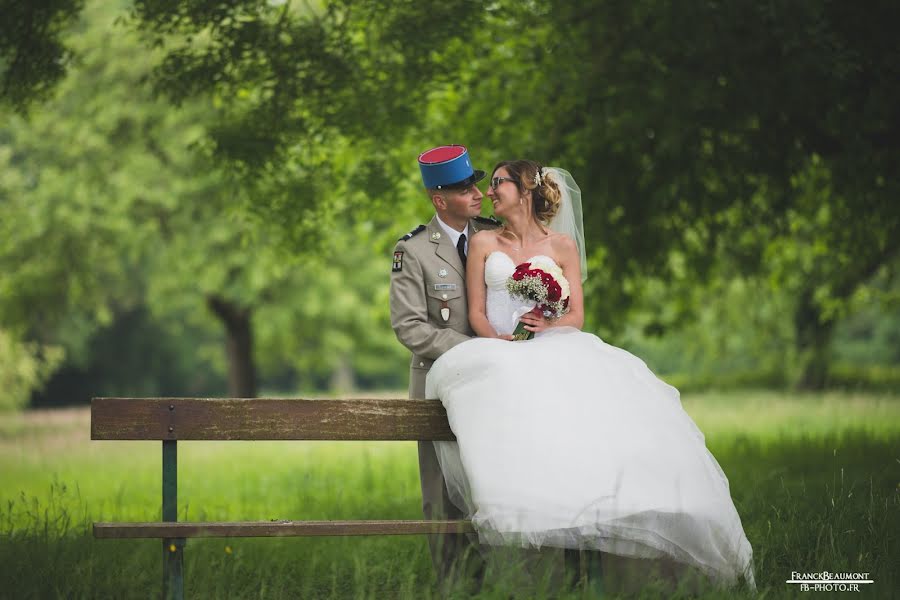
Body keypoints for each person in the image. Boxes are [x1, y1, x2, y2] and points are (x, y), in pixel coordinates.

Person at [426, 159, 757, 592]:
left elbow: (576, 314)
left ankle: (617, 514)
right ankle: (525, 517)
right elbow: (474, 311)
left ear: (526, 191)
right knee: (503, 393)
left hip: (553, 343)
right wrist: (499, 343)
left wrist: (548, 323)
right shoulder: (484, 242)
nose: (489, 192)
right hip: (500, 348)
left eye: (498, 184)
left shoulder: (562, 246)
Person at [389, 145, 499, 582]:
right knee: (442, 494)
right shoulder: (413, 251)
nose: (477, 193)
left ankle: (506, 581)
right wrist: (469, 349)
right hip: (439, 385)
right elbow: (409, 327)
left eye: (476, 183)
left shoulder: (496, 237)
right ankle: (456, 586)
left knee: (494, 481)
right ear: (440, 200)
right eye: (464, 188)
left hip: (496, 384)